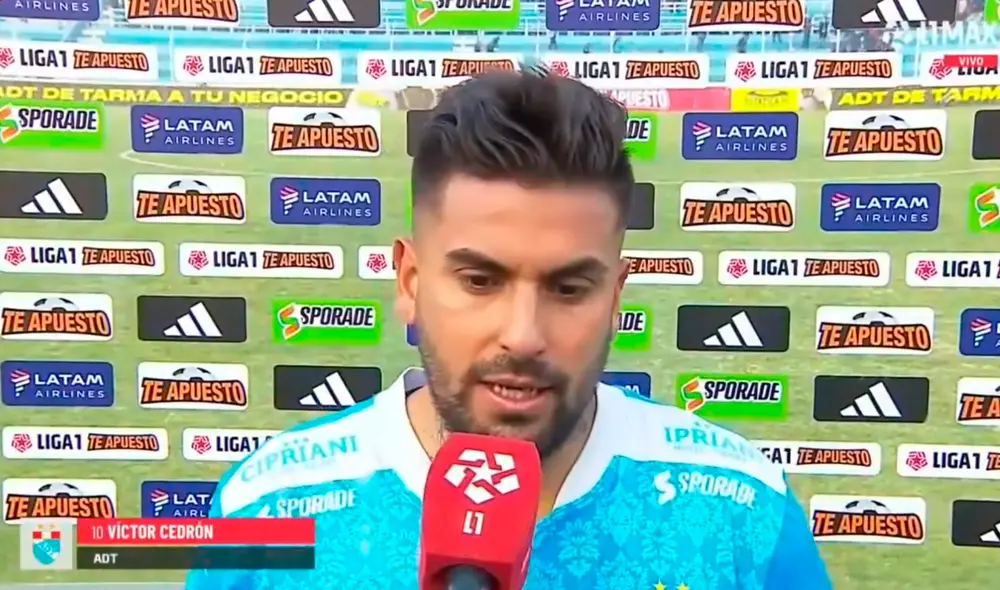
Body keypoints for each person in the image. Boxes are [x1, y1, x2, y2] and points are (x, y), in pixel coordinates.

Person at [185, 70, 832, 590]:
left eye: (569, 288)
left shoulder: (739, 507)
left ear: (614, 298)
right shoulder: (270, 505)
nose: (522, 336)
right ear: (410, 282)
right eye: (479, 281)